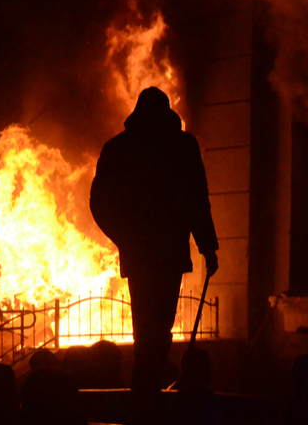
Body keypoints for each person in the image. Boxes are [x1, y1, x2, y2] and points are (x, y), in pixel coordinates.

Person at [90, 86, 218, 397]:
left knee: (146, 326)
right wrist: (208, 247)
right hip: (169, 253)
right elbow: (197, 200)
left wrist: (126, 238)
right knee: (160, 326)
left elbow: (100, 203)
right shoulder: (183, 146)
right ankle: (150, 387)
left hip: (141, 255)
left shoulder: (118, 148)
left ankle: (145, 388)